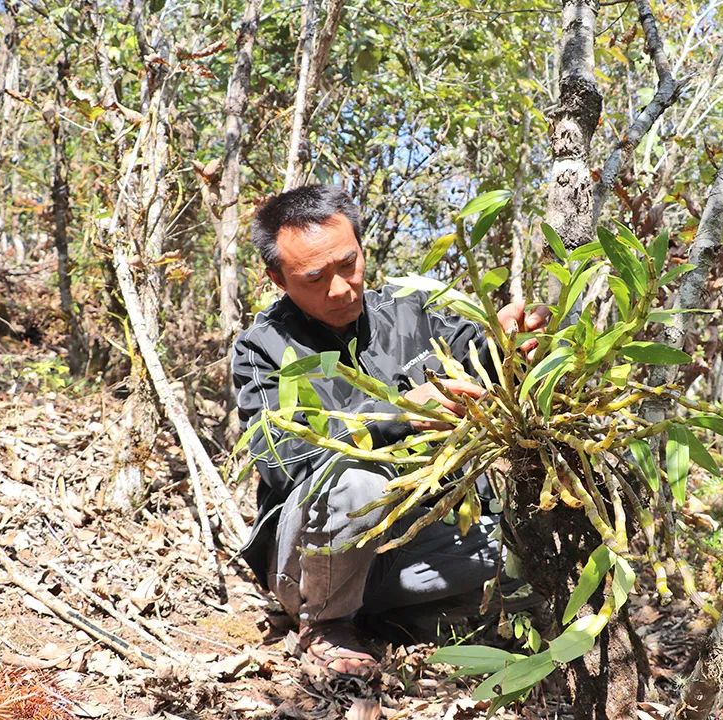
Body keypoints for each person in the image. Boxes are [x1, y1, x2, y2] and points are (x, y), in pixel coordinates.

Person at [232, 184, 548, 678]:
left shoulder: (412, 312)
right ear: (278, 278)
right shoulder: (264, 348)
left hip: (419, 543)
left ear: (361, 247)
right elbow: (281, 458)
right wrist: (394, 414)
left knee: (536, 541)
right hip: (316, 557)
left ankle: (404, 617)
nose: (339, 288)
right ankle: (327, 625)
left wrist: (509, 342)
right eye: (314, 278)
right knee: (358, 482)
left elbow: (478, 359)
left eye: (348, 264)